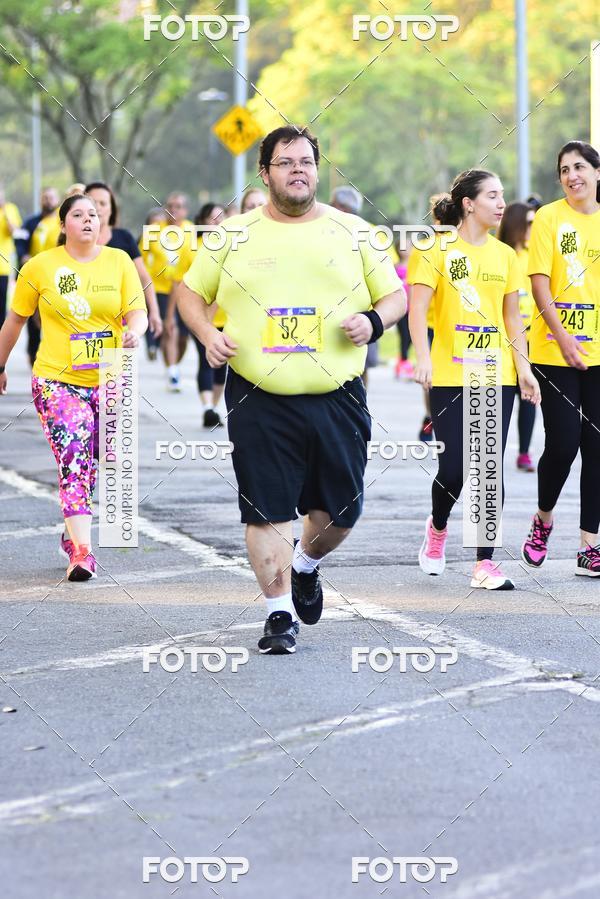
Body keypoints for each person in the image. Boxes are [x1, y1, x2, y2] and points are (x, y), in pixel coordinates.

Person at [177, 125, 405, 654]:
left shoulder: (355, 231)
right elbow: (190, 293)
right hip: (258, 393)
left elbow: (394, 296)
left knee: (341, 511)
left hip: (337, 394)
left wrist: (374, 321)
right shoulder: (233, 234)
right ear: (265, 173)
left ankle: (305, 563)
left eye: (306, 161)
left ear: (317, 170)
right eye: (285, 162)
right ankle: (278, 613)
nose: (298, 170)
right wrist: (208, 334)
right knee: (266, 509)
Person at [0, 195, 147, 580]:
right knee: (74, 456)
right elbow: (15, 321)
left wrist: (134, 332)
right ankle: (82, 552)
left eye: (93, 215)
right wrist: (0, 365)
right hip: (56, 379)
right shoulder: (40, 267)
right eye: (78, 215)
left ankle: (72, 529)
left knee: (104, 459)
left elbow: (138, 312)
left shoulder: (118, 261)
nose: (87, 220)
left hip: (111, 376)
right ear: (63, 225)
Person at [410, 169, 540, 590]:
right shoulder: (434, 249)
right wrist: (423, 358)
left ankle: (484, 563)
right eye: (492, 196)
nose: (501, 204)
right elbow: (417, 309)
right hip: (450, 372)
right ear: (468, 204)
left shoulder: (505, 256)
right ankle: (438, 526)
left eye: (502, 196)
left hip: (495, 372)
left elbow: (512, 319)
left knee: (487, 468)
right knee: (453, 469)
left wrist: (524, 370)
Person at [521, 141, 600, 576]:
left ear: (597, 173)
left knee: (597, 445)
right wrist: (564, 337)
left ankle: (589, 545)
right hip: (554, 351)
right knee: (564, 443)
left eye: (580, 167)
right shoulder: (550, 218)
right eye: (565, 170)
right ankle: (544, 518)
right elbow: (539, 283)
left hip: (599, 353)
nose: (572, 176)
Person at [85, 182, 162, 350]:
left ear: (111, 209)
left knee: (115, 367)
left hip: (120, 324)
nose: (98, 208)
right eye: (93, 202)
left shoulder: (124, 238)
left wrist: (154, 312)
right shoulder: (73, 240)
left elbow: (144, 278)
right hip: (82, 322)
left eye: (103, 203)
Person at [170, 203, 227, 427]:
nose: (217, 222)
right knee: (205, 359)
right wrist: (170, 315)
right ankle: (207, 407)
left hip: (227, 317)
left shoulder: (234, 245)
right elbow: (179, 282)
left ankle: (213, 407)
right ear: (202, 221)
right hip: (200, 317)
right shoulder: (192, 247)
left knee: (221, 364)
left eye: (221, 217)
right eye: (213, 218)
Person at [498, 201, 538, 471]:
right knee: (500, 398)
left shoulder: (534, 255)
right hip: (500, 339)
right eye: (530, 222)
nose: (533, 228)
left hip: (530, 337)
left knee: (528, 395)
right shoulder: (500, 255)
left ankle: (524, 451)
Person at [14, 187, 61, 365]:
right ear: (41, 200)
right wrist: (23, 255)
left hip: (56, 276)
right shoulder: (30, 222)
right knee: (32, 316)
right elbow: (20, 241)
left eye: (51, 197)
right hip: (34, 276)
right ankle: (33, 352)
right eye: (45, 197)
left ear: (58, 200)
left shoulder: (62, 222)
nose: (48, 200)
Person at [161, 192, 196, 391]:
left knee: (182, 336)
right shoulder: (155, 231)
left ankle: (173, 365)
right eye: (170, 206)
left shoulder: (191, 231)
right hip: (161, 290)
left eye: (178, 206)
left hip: (185, 289)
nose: (173, 210)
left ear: (186, 210)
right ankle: (172, 370)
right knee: (169, 329)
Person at [139, 207, 175, 365]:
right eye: (154, 221)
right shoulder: (146, 237)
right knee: (150, 315)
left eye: (160, 221)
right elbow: (140, 259)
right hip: (150, 284)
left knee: (162, 317)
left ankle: (158, 345)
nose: (157, 224)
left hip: (168, 286)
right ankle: (151, 346)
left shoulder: (171, 236)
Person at [0, 185, 22, 328]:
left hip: (2, 266)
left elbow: (14, 231)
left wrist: (4, 210)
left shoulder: (10, 209)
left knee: (1, 305)